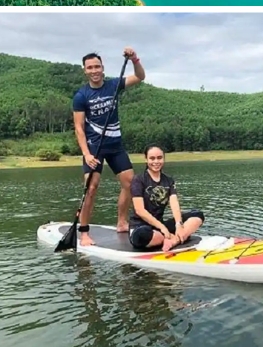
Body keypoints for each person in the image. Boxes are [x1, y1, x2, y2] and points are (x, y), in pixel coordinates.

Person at [73, 48, 145, 247]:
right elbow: (79, 128)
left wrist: (134, 59)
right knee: (91, 188)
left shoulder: (114, 85)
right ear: (85, 71)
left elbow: (140, 76)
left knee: (130, 183)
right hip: (94, 149)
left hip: (115, 147)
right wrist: (86, 154)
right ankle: (84, 232)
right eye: (90, 67)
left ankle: (122, 222)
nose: (94, 70)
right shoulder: (81, 96)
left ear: (102, 68)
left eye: (97, 66)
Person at [129, 146, 205, 252]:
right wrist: (162, 228)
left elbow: (174, 204)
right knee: (142, 235)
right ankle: (171, 237)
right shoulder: (138, 180)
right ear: (146, 159)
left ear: (163, 158)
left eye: (159, 158)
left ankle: (173, 240)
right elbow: (140, 210)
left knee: (197, 215)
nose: (156, 161)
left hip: (160, 228)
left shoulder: (168, 180)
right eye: (152, 158)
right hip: (141, 228)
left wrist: (179, 225)